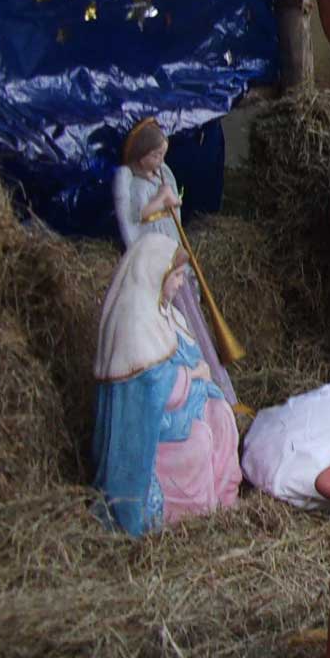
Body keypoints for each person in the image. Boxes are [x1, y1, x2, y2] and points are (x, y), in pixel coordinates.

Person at [91, 236, 242, 537]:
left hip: (177, 405)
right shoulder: (133, 322)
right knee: (198, 439)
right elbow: (156, 388)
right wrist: (194, 375)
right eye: (174, 277)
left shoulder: (163, 310)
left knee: (222, 414)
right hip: (147, 423)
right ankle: (189, 519)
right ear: (154, 273)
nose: (178, 285)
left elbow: (184, 354)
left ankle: (225, 504)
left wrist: (198, 377)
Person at [112, 117, 234, 404]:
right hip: (156, 257)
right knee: (175, 316)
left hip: (171, 250)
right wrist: (162, 199)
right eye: (155, 155)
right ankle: (186, 384)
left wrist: (169, 198)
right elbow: (137, 216)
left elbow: (173, 208)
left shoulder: (160, 176)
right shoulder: (135, 184)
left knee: (191, 315)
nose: (159, 161)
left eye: (162, 155)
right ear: (140, 156)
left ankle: (213, 378)